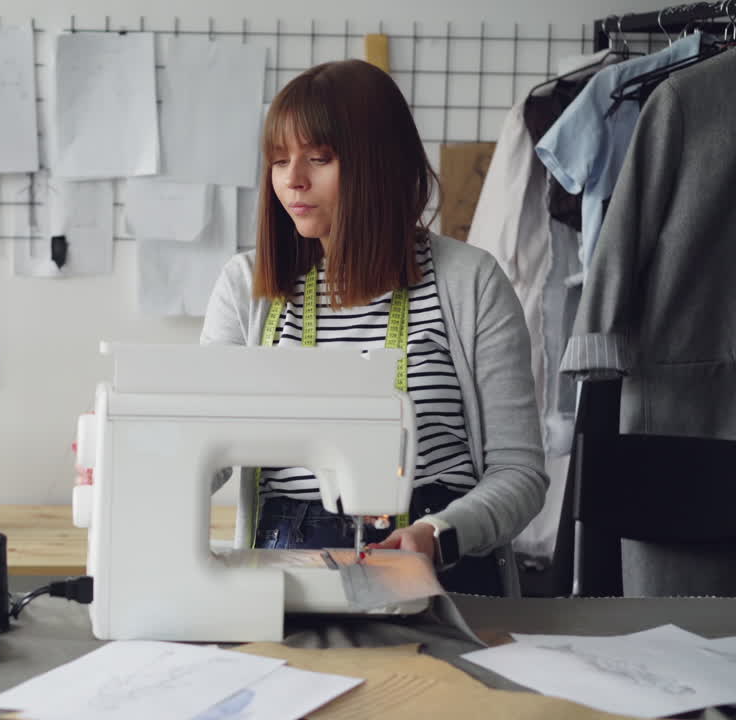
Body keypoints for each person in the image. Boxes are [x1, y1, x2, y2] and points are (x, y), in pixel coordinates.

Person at [201, 60, 547, 596]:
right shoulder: (248, 286)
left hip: (440, 565)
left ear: (377, 166)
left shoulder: (471, 283)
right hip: (283, 565)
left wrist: (438, 534)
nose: (292, 180)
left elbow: (519, 474)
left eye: (318, 158)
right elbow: (208, 445)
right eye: (278, 161)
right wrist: (138, 449)